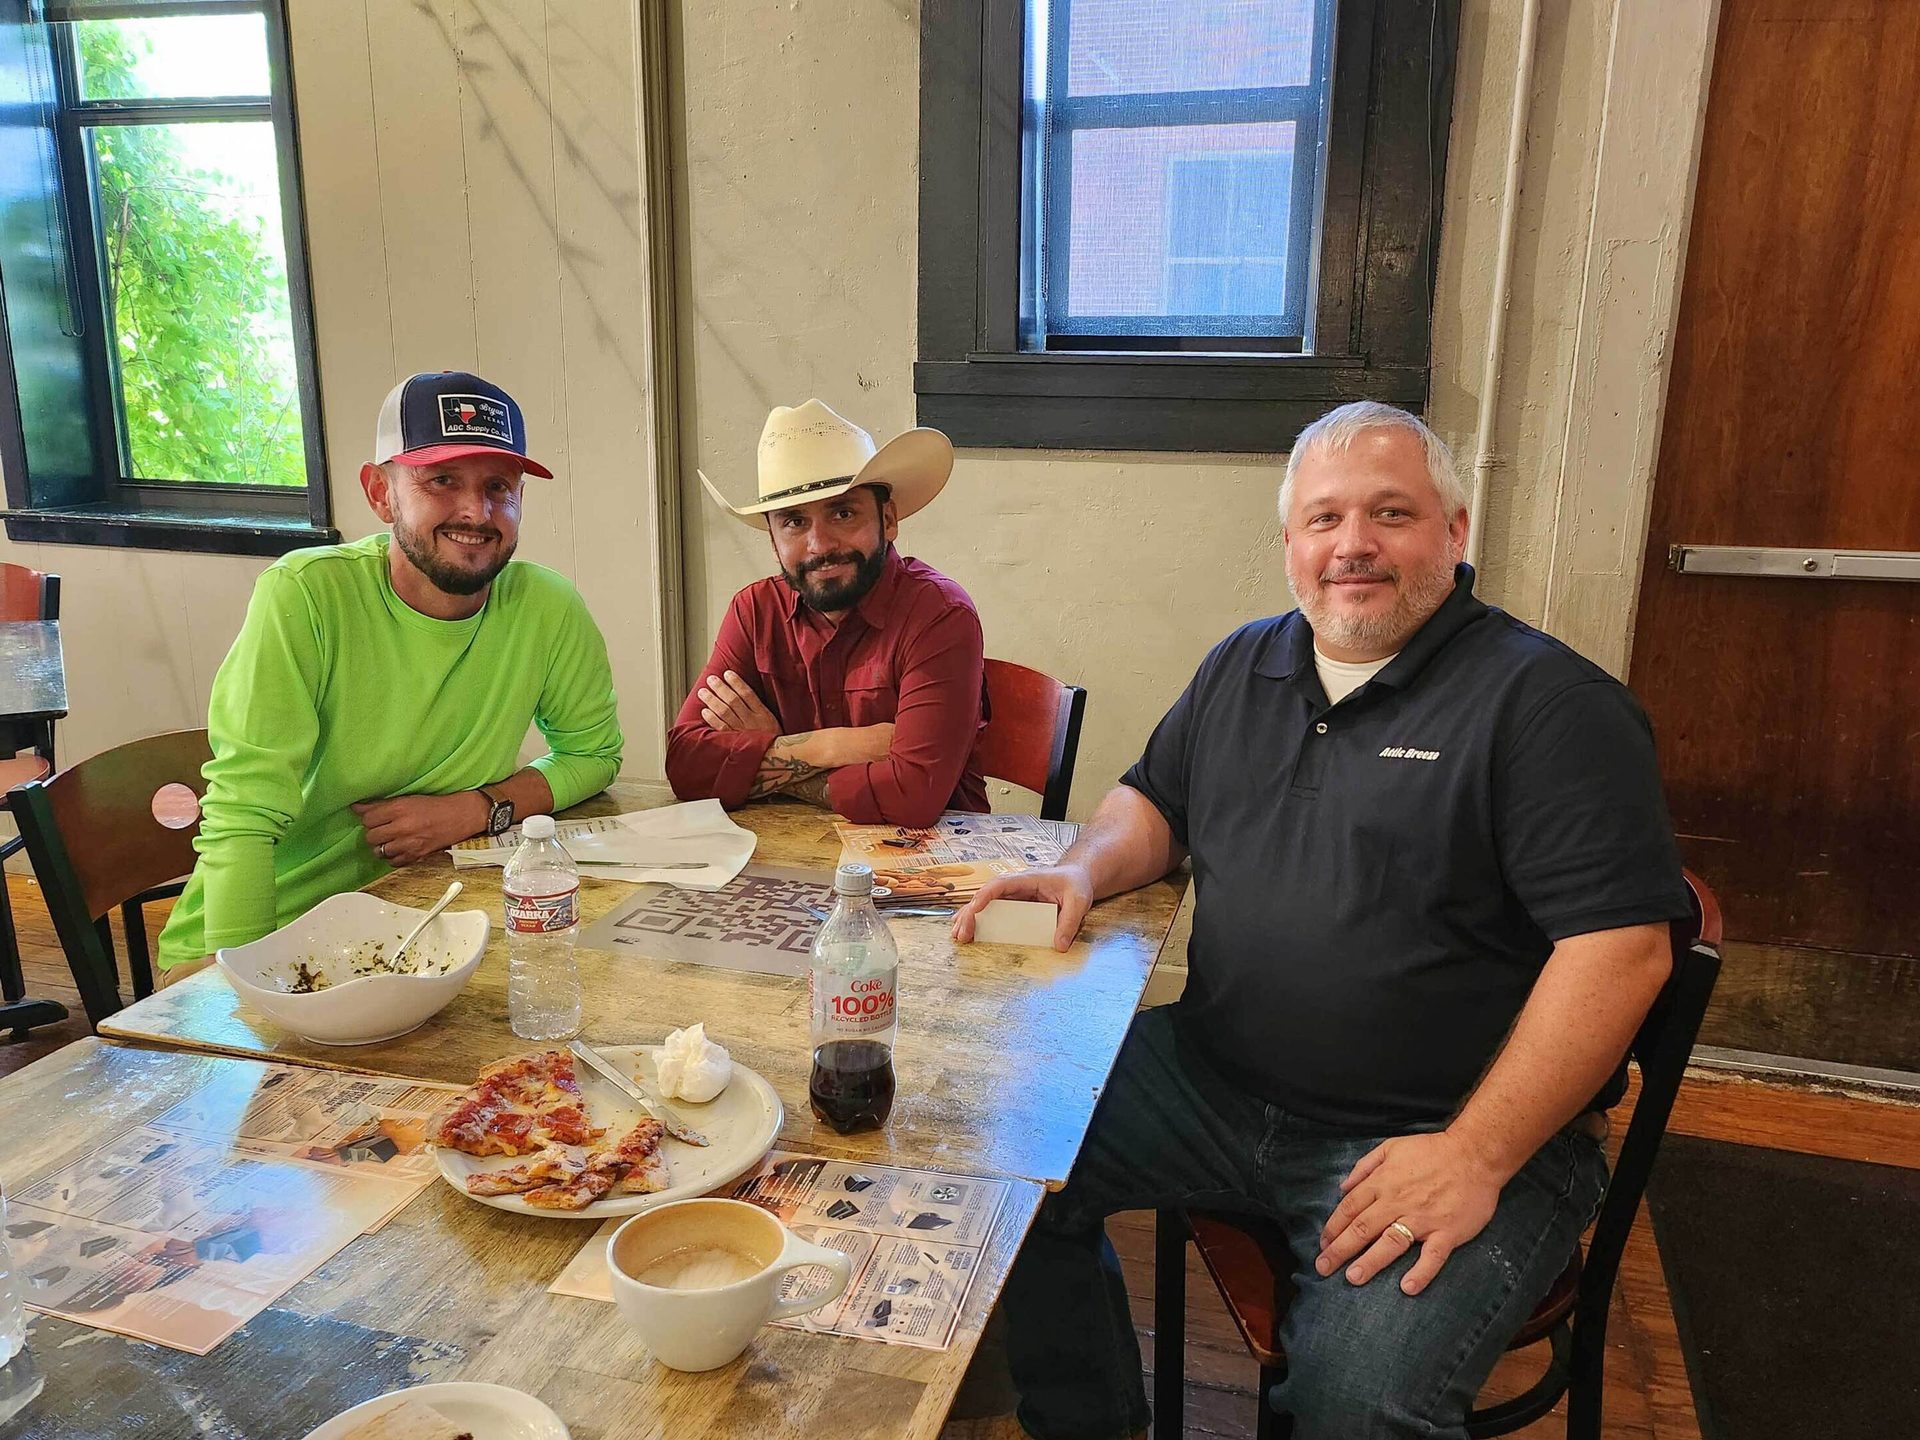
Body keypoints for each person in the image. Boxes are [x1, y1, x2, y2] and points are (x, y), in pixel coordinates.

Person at [954, 401, 1692, 1440]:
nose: (1353, 544)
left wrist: (1476, 1156)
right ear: (1290, 544)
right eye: (1324, 518)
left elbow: (1623, 952)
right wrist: (1081, 869)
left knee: (1357, 1399)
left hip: (1442, 1127)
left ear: (1455, 531)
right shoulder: (1243, 665)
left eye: (1391, 513)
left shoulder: (1549, 706)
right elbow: (1155, 802)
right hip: (1214, 1079)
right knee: (995, 1156)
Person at [156, 371, 623, 973]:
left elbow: (593, 754)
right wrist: (241, 978)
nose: (475, 511)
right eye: (442, 480)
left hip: (425, 920)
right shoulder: (305, 595)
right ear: (381, 493)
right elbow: (244, 814)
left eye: (499, 487)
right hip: (274, 929)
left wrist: (477, 808)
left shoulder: (548, 606)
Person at [666, 399, 987, 826]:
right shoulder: (754, 611)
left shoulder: (940, 615)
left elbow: (913, 797)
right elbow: (686, 767)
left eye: (843, 513)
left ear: (888, 519)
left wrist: (767, 753)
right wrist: (830, 747)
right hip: (788, 849)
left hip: (937, 856)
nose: (819, 545)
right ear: (772, 539)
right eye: (794, 522)